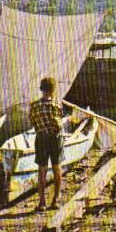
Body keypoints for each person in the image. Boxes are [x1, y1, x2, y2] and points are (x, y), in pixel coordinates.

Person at [28, 77, 65, 211]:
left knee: (42, 170)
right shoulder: (57, 105)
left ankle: (42, 202)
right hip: (55, 139)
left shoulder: (34, 106)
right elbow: (59, 122)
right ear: (53, 90)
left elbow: (32, 123)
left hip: (41, 139)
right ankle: (55, 200)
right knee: (57, 168)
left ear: (41, 89)